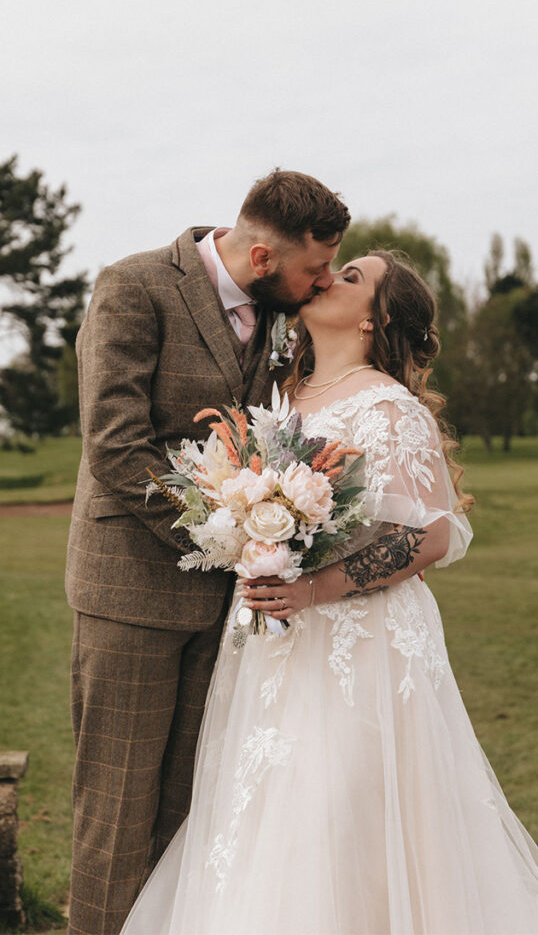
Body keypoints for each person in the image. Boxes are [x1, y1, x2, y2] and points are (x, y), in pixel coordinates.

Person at [121, 251, 538, 935]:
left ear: (377, 318)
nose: (326, 277)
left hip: (359, 647)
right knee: (272, 809)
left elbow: (433, 535)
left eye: (351, 277)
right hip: (273, 641)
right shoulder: (285, 396)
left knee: (341, 805)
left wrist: (315, 589)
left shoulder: (389, 407)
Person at [65, 168, 351, 935]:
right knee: (117, 812)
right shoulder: (132, 288)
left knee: (192, 812)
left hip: (228, 613)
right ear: (264, 258)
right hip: (131, 595)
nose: (323, 282)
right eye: (314, 268)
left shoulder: (278, 316)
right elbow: (116, 446)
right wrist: (228, 533)